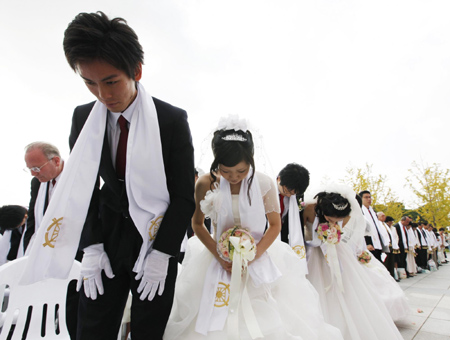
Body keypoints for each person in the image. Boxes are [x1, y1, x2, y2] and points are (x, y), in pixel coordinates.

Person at [63, 11, 195, 340]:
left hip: (153, 238)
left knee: (149, 330)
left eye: (110, 81)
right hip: (104, 239)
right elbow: (81, 189)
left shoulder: (171, 120)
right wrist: (90, 247)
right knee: (91, 329)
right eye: (89, 83)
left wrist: (164, 253)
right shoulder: (83, 118)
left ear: (135, 71)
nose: (102, 95)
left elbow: (183, 196)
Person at [164, 117, 342, 339]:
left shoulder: (264, 183)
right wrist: (220, 256)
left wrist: (254, 253)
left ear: (251, 160)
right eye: (226, 171)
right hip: (219, 259)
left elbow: (275, 225)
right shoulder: (205, 183)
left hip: (260, 255)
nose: (234, 177)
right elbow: (197, 225)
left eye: (241, 170)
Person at [304, 185, 404, 339]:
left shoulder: (347, 215)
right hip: (315, 254)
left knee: (348, 290)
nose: (336, 221)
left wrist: (332, 234)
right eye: (333, 218)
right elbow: (305, 233)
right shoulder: (310, 210)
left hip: (337, 253)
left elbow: (343, 233)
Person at [23, 142, 65, 252]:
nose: (33, 173)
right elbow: (32, 220)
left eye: (36, 168)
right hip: (42, 248)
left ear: (56, 161)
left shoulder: (77, 177)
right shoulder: (37, 183)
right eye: (30, 169)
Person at [277, 163, 310, 264]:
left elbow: (298, 222)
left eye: (292, 194)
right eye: (286, 191)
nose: (288, 195)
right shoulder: (266, 188)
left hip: (284, 237)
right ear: (279, 179)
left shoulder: (297, 196)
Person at [359, 190, 390, 262]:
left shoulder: (372, 212)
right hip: (368, 243)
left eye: (370, 197)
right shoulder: (360, 211)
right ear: (361, 199)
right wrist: (367, 243)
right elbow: (362, 228)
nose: (369, 199)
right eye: (366, 197)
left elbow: (377, 228)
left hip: (377, 243)